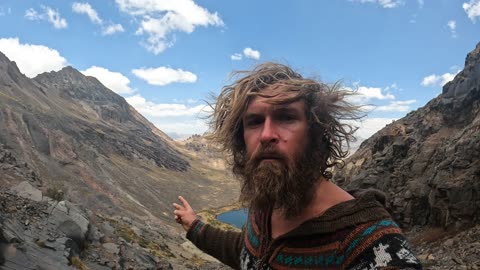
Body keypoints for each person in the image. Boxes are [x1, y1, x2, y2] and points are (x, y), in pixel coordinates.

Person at [173, 63, 422, 270]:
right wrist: (194, 226)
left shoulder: (369, 244)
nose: (267, 134)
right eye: (254, 121)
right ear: (242, 139)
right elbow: (249, 252)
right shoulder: (268, 203)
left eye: (286, 117)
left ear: (316, 134)